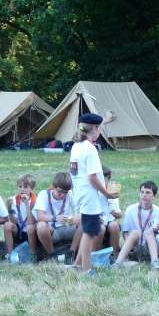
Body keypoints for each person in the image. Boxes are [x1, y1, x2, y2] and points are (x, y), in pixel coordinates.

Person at [70, 113, 112, 274]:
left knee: (87, 229)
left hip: (79, 192)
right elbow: (93, 177)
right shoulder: (90, 149)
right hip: (89, 195)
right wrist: (107, 193)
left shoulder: (76, 146)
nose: (100, 131)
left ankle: (78, 264)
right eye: (100, 128)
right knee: (90, 232)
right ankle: (87, 269)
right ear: (94, 129)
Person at [113, 181, 159, 269]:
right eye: (142, 192)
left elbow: (156, 236)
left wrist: (155, 231)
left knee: (148, 233)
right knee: (134, 232)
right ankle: (118, 263)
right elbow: (125, 232)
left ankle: (155, 262)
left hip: (151, 246)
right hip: (136, 245)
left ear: (154, 196)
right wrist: (131, 243)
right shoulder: (130, 209)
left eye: (148, 192)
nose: (144, 195)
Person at [33, 173, 77, 259]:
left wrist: (75, 218)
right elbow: (40, 216)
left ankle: (72, 251)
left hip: (68, 226)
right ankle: (52, 254)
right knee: (41, 226)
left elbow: (82, 209)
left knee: (84, 221)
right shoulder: (44, 194)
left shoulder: (69, 194)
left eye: (65, 192)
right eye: (60, 191)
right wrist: (55, 218)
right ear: (53, 187)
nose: (63, 195)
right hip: (53, 230)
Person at [5, 174, 38, 256]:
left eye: (26, 187)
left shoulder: (36, 201)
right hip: (19, 231)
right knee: (7, 225)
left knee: (30, 227)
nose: (22, 189)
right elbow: (14, 221)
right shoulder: (14, 200)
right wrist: (9, 209)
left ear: (32, 189)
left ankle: (32, 255)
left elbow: (31, 222)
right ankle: (10, 255)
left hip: (32, 233)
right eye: (20, 186)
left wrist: (27, 204)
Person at [100, 166, 122, 254]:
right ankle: (95, 253)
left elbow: (119, 214)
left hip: (109, 220)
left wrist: (117, 214)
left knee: (114, 225)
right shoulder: (94, 193)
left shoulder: (112, 194)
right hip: (98, 220)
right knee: (100, 228)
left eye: (105, 179)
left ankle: (114, 253)